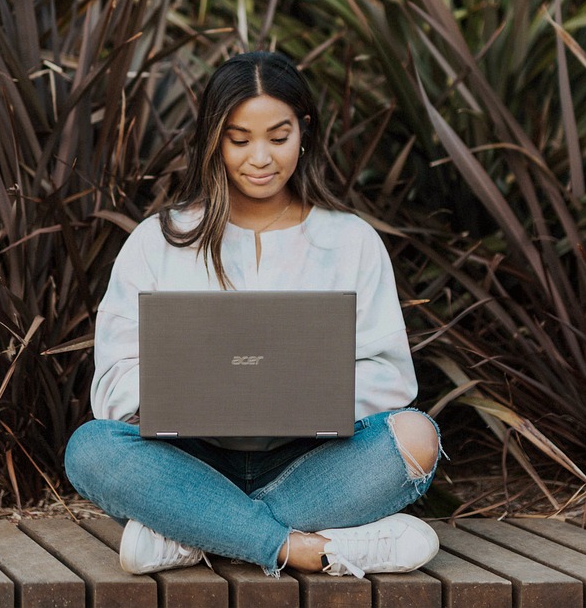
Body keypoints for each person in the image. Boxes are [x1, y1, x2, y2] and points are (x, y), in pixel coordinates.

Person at [64, 50, 442, 578]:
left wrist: (302, 396)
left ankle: (195, 533)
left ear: (304, 131)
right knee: (90, 449)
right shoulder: (159, 240)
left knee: (417, 437)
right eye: (239, 140)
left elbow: (390, 377)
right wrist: (193, 397)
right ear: (213, 138)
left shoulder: (350, 240)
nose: (260, 158)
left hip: (310, 464)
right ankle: (303, 547)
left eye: (278, 137)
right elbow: (113, 381)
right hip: (189, 460)